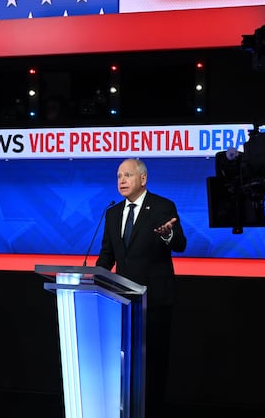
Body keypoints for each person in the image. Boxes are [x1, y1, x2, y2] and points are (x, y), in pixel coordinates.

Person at [96, 158, 187, 418]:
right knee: (126, 364)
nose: (121, 181)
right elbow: (107, 254)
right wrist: (94, 276)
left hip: (154, 301)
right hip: (122, 302)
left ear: (143, 179)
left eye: (127, 175)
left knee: (154, 365)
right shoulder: (112, 213)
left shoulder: (162, 206)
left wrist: (167, 235)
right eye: (118, 176)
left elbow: (180, 244)